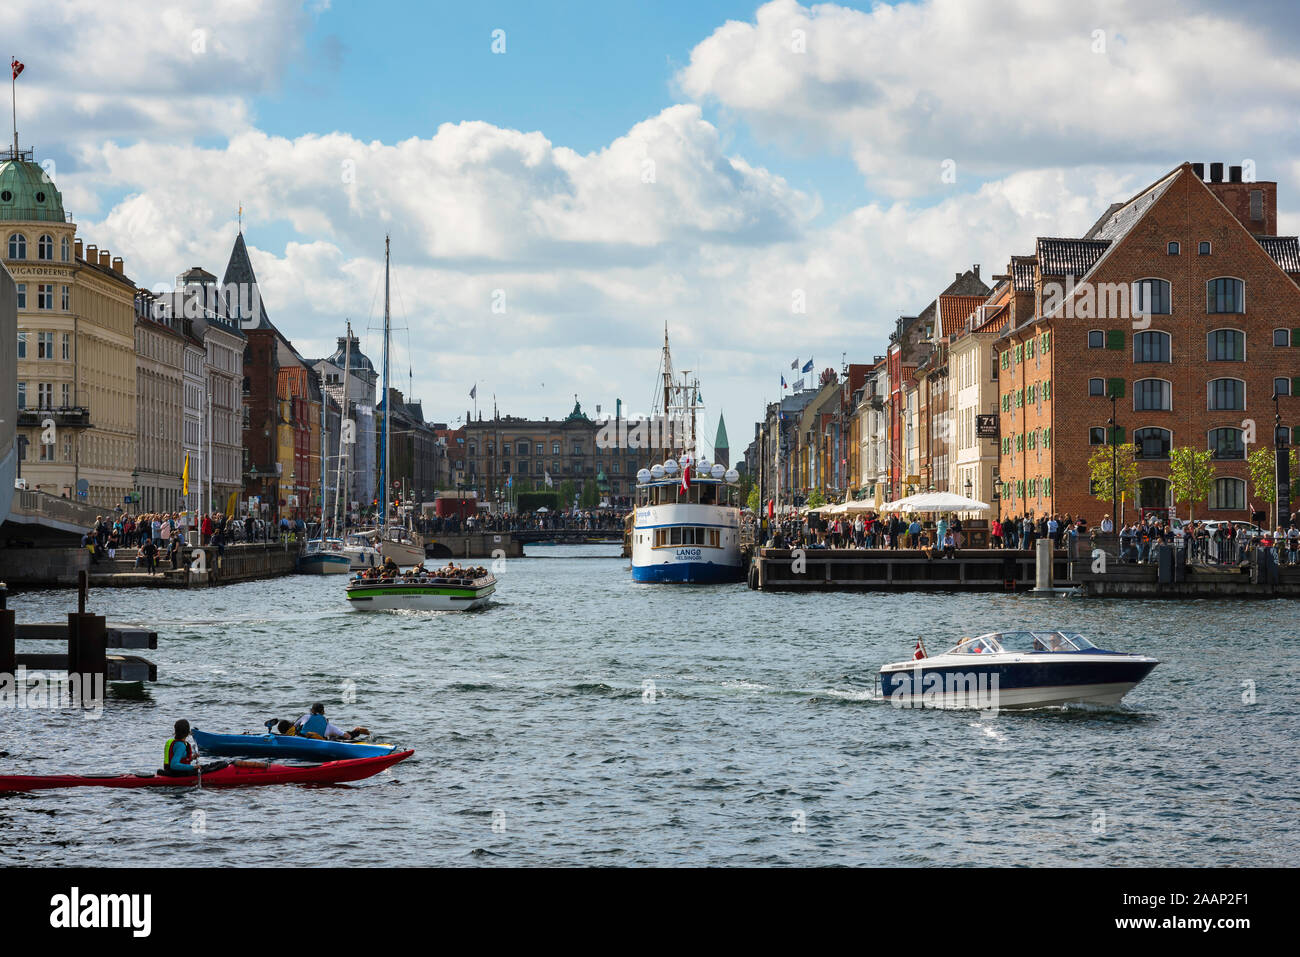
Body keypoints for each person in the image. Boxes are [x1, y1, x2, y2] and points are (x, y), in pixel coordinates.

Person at [291, 703, 366, 741]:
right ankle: (356, 731)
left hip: (301, 739)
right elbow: (347, 736)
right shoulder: (328, 725)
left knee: (334, 737)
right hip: (320, 740)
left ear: (312, 711)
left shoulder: (305, 717)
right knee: (341, 736)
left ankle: (357, 730)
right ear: (323, 712)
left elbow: (293, 727)